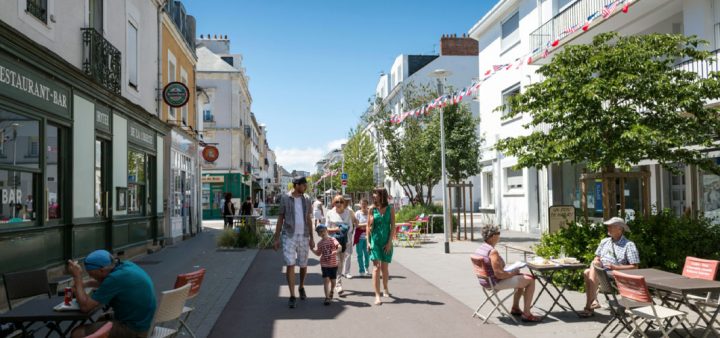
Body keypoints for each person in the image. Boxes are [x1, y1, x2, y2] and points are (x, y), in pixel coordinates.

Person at [68, 250, 157, 338]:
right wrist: (84, 284)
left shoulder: (114, 278)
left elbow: (85, 307)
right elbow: (107, 283)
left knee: (77, 333)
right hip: (145, 323)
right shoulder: (125, 266)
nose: (91, 277)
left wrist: (77, 278)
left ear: (101, 270)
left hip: (136, 331)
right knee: (102, 318)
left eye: (91, 274)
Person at [475, 224, 540, 322]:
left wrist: (512, 272)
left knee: (522, 277)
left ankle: (515, 308)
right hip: (495, 282)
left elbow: (495, 270)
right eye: (498, 234)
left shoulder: (481, 248)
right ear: (493, 237)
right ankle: (527, 313)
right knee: (530, 280)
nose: (499, 236)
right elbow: (499, 274)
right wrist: (512, 273)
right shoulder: (492, 252)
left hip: (485, 281)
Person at [580, 217, 640, 317]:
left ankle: (589, 306)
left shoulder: (628, 245)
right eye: (608, 227)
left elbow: (634, 267)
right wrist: (596, 260)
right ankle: (592, 302)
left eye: (611, 227)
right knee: (593, 264)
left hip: (615, 274)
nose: (608, 229)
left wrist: (615, 267)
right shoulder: (605, 241)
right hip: (601, 270)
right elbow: (597, 257)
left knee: (588, 271)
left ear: (620, 229)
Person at [273, 176, 314, 308]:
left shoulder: (307, 199)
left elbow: (308, 218)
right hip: (289, 235)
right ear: (296, 185)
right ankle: (292, 295)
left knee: (303, 264)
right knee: (290, 264)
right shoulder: (285, 198)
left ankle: (301, 286)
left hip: (304, 236)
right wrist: (276, 238)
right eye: (303, 185)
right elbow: (280, 218)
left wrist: (312, 238)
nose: (305, 187)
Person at [367, 187, 396, 305]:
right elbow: (368, 227)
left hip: (386, 242)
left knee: (384, 269)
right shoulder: (371, 209)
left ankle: (385, 287)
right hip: (375, 242)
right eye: (373, 193)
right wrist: (368, 242)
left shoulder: (390, 209)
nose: (373, 195)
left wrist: (389, 243)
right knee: (376, 268)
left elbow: (393, 226)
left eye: (376, 193)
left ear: (382, 195)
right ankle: (377, 296)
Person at [325, 195, 357, 294]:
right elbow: (326, 229)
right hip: (333, 241)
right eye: (336, 202)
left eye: (341, 202)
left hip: (344, 241)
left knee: (340, 263)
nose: (338, 204)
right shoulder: (330, 213)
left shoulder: (349, 212)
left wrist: (347, 235)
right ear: (333, 203)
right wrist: (337, 229)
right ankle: (336, 283)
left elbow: (351, 228)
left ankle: (337, 283)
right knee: (335, 263)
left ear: (344, 203)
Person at [311, 224, 340, 305]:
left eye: (323, 231)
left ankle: (332, 290)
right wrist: (312, 249)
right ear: (318, 234)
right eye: (320, 232)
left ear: (327, 230)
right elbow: (318, 253)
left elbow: (339, 246)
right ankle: (327, 298)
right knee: (326, 280)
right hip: (324, 264)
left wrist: (336, 251)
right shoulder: (320, 243)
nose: (322, 233)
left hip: (333, 264)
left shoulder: (332, 239)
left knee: (333, 281)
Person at [354, 198, 370, 276]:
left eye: (365, 204)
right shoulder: (357, 213)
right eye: (362, 204)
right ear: (360, 205)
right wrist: (366, 225)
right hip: (359, 238)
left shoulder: (370, 213)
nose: (363, 205)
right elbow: (357, 225)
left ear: (367, 205)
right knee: (359, 254)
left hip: (368, 237)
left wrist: (363, 226)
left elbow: (371, 224)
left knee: (367, 254)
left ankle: (366, 268)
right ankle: (361, 270)